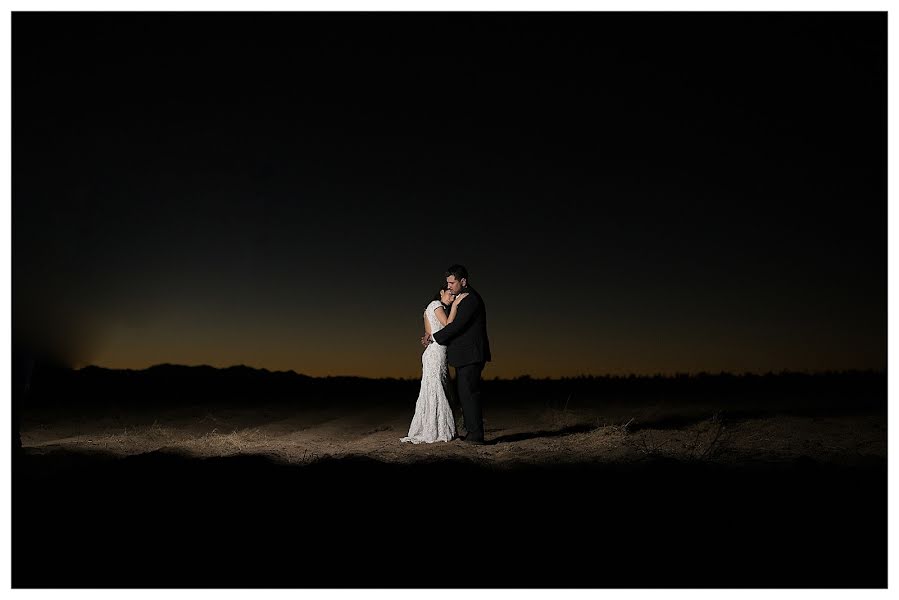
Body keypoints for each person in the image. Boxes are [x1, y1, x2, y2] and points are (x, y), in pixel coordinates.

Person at [423, 264, 491, 444]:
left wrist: (434, 338)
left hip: (471, 355)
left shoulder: (470, 299)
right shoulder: (461, 298)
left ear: (463, 281)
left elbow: (456, 326)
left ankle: (476, 436)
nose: (449, 286)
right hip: (465, 356)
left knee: (469, 394)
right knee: (465, 394)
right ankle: (472, 433)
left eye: (452, 282)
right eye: (448, 283)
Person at [400, 286, 468, 444]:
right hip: (435, 353)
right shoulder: (436, 304)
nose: (452, 297)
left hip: (435, 351)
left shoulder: (432, 307)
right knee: (436, 389)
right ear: (441, 292)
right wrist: (457, 304)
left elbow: (430, 333)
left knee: (436, 389)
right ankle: (437, 430)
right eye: (450, 294)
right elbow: (448, 325)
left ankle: (436, 428)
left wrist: (428, 338)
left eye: (454, 296)